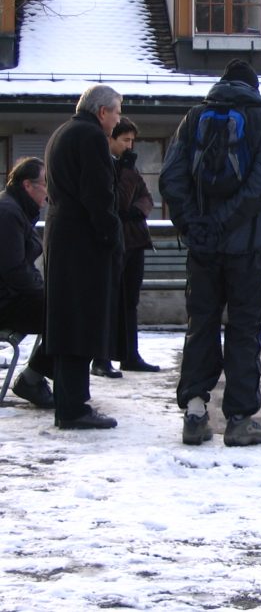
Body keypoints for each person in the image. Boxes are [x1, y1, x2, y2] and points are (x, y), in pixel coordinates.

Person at [159, 59, 261, 447]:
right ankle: (241, 420)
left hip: (202, 249)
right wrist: (226, 222)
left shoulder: (193, 119)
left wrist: (195, 225)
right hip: (247, 247)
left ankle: (195, 414)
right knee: (244, 329)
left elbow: (170, 179)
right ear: (253, 87)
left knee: (202, 324)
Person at [43, 84, 124, 430]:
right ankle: (74, 407)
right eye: (118, 112)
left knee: (67, 321)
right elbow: (98, 194)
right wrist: (110, 235)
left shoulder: (62, 133)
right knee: (81, 322)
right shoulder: (90, 138)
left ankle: (69, 402)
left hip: (62, 238)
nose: (118, 120)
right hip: (83, 244)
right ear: (102, 111)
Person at [91, 117, 159, 378]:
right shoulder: (108, 165)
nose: (130, 146)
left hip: (135, 241)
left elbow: (146, 197)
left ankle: (130, 355)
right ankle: (102, 358)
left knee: (130, 301)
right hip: (113, 244)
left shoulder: (128, 167)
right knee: (109, 301)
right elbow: (116, 202)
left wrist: (137, 210)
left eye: (132, 140)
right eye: (125, 140)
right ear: (111, 139)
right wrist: (128, 177)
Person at [0, 157, 54, 408]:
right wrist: (43, 291)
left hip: (10, 297)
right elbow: (13, 269)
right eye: (45, 183)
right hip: (6, 304)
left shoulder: (16, 210)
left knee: (69, 310)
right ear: (27, 185)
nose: (48, 191)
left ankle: (35, 376)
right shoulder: (8, 213)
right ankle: (32, 379)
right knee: (69, 314)